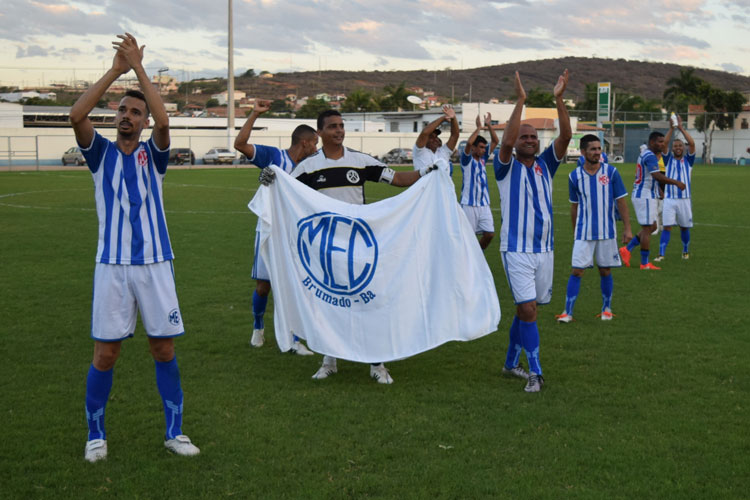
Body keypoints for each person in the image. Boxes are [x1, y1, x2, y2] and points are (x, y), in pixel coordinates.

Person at [70, 33, 199, 462]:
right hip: (112, 266)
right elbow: (75, 115)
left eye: (135, 111)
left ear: (143, 122)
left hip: (155, 265)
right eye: (123, 110)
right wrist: (116, 71)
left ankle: (175, 432)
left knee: (163, 348)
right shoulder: (100, 154)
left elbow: (166, 124)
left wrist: (140, 71)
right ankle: (95, 435)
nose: (128, 116)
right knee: (106, 354)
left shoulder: (154, 156)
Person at [260, 109, 439, 384]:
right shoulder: (308, 167)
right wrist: (270, 183)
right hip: (325, 248)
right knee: (328, 304)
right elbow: (285, 193)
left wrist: (427, 171)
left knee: (368, 302)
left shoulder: (360, 161)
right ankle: (329, 360)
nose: (339, 130)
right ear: (320, 133)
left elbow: (398, 179)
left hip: (360, 246)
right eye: (333, 126)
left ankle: (377, 364)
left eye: (342, 126)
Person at [493, 70, 572, 393]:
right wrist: (521, 101)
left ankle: (511, 363)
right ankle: (536, 372)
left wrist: (559, 99)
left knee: (529, 309)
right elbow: (507, 140)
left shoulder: (546, 166)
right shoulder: (505, 166)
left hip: (545, 250)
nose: (529, 140)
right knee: (527, 309)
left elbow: (565, 137)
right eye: (525, 137)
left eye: (533, 137)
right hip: (516, 249)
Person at [234, 99, 318, 354]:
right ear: (304, 142)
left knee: (296, 286)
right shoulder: (274, 157)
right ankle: (258, 328)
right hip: (269, 230)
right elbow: (240, 145)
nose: (317, 148)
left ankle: (294, 339)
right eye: (315, 143)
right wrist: (254, 114)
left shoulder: (312, 168)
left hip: (296, 234)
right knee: (264, 285)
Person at [555, 134, 633, 323]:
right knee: (577, 271)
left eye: (599, 149)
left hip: (607, 231)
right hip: (584, 232)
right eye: (593, 149)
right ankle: (567, 312)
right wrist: (575, 232)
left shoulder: (611, 172)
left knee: (605, 270)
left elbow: (621, 201)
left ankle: (607, 309)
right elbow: (574, 206)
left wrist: (627, 229)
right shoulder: (574, 176)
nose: (597, 152)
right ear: (583, 152)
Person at [619, 131, 685, 269]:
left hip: (646, 194)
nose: (662, 144)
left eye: (663, 142)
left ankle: (627, 250)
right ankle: (644, 263)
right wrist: (677, 183)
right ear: (652, 142)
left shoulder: (648, 154)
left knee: (653, 227)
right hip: (644, 196)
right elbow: (657, 176)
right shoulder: (650, 156)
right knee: (648, 228)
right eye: (659, 142)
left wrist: (659, 191)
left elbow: (649, 176)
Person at [654, 114, 696, 261]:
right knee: (667, 227)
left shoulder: (689, 160)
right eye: (675, 146)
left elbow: (692, 143)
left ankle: (685, 251)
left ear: (683, 148)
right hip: (670, 199)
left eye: (680, 146)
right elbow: (664, 144)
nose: (678, 148)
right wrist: (671, 129)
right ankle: (661, 254)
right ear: (672, 149)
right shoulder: (668, 159)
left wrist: (682, 128)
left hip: (684, 199)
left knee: (685, 227)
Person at [459, 113, 499, 249]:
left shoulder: (482, 159)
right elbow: (469, 142)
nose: (483, 150)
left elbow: (495, 141)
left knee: (489, 234)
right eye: (481, 147)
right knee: (467, 237)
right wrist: (478, 128)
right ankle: (465, 262)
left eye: (484, 148)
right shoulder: (467, 160)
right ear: (474, 148)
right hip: (469, 205)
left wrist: (489, 125)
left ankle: (477, 255)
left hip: (484, 205)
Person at [412, 104, 459, 172]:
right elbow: (425, 133)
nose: (436, 139)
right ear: (425, 140)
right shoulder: (420, 151)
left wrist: (453, 117)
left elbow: (455, 136)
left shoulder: (443, 152)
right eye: (432, 137)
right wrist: (443, 118)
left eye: (436, 137)